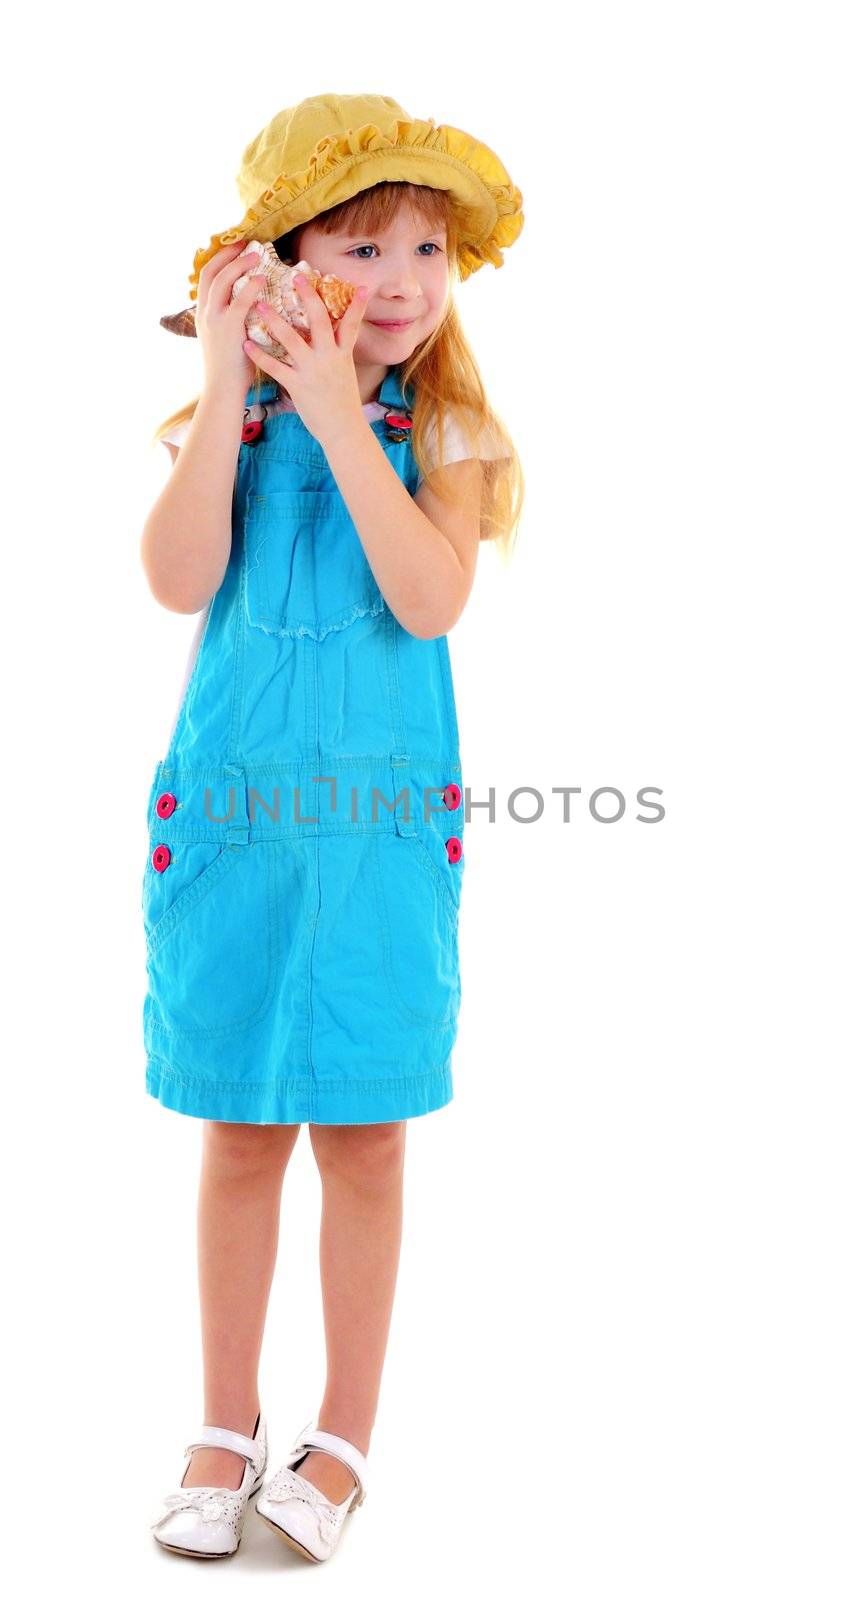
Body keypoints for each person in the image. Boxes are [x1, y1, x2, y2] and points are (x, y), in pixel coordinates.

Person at [142, 92, 524, 1564]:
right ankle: (220, 1425)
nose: (401, 278)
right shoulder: (222, 423)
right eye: (360, 242)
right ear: (284, 259)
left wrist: (331, 418)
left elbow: (428, 595)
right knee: (239, 1132)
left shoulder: (453, 428)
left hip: (373, 838)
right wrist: (241, 381)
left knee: (364, 1136)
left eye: (426, 246)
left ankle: (342, 1434)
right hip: (234, 821)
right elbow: (179, 580)